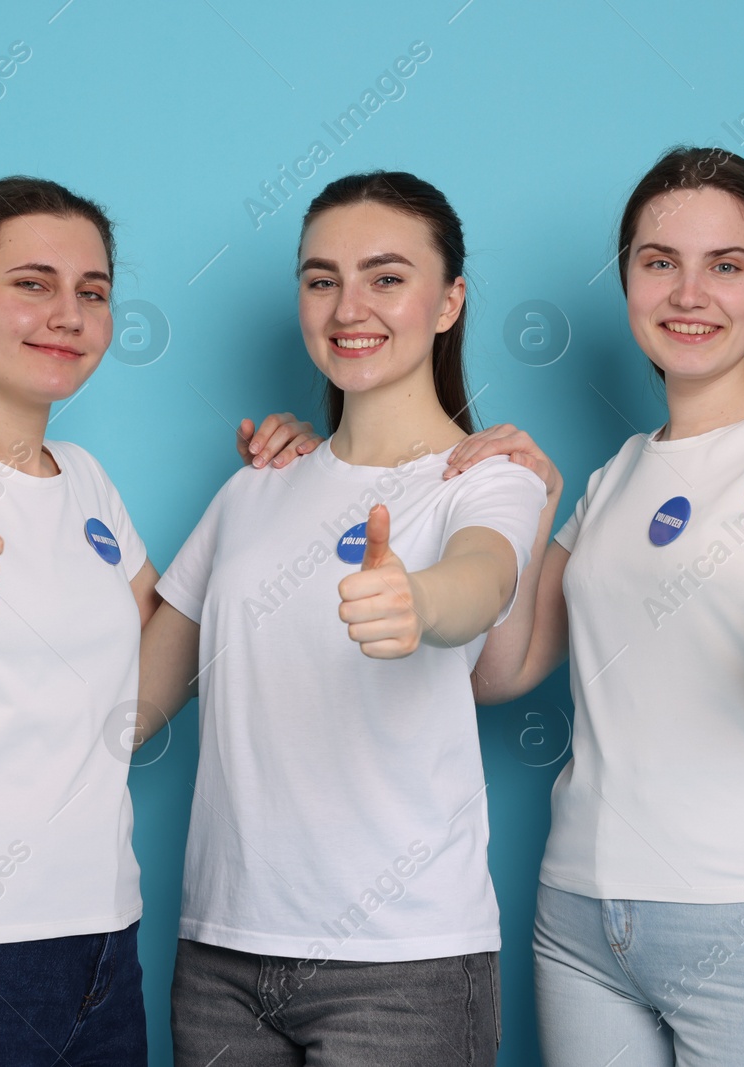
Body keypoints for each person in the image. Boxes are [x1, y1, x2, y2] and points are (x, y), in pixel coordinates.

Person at [0, 176, 313, 1066]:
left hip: (101, 949)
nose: (68, 313)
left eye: (92, 291)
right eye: (32, 283)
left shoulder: (85, 480)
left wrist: (280, 492)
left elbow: (151, 682)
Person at [448, 146, 744, 1065]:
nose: (690, 293)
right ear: (629, 280)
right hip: (580, 923)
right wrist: (528, 514)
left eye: (726, 265)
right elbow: (503, 672)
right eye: (659, 263)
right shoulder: (614, 478)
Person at [138, 170, 549, 1065]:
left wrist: (420, 600)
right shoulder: (256, 486)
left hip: (405, 964)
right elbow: (126, 711)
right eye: (321, 278)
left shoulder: (489, 478)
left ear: (450, 303)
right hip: (220, 959)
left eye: (387, 276)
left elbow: (484, 574)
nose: (348, 306)